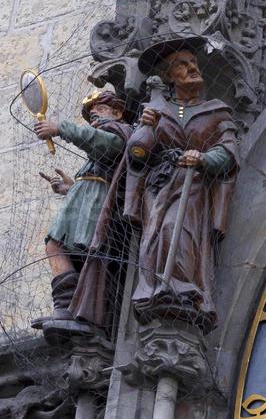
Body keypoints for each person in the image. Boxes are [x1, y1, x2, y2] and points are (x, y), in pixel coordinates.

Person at [70, 40, 238, 335]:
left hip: (194, 187)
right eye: (182, 64)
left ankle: (185, 290)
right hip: (158, 187)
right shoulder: (156, 109)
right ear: (170, 76)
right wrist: (146, 126)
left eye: (193, 62)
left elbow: (228, 153)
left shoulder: (217, 111)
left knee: (178, 230)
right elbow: (137, 155)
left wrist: (203, 158)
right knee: (154, 237)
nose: (192, 67)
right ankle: (155, 288)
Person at [30, 86, 131, 329]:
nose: (94, 115)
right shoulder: (97, 146)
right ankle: (66, 307)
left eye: (101, 109)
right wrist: (70, 188)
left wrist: (60, 128)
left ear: (117, 113)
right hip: (85, 203)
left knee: (81, 253)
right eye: (91, 113)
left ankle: (81, 312)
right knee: (55, 246)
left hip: (101, 208)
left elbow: (107, 146)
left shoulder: (122, 131)